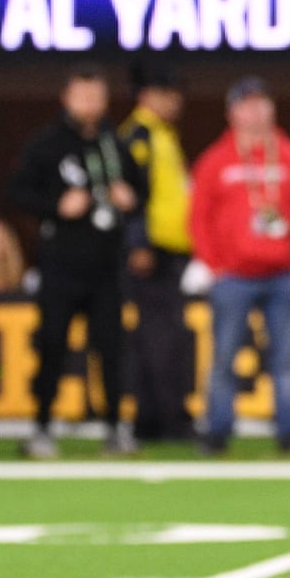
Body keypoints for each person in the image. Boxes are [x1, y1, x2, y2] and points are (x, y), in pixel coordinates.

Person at [188, 77, 290, 454]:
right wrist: (213, 264)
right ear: (232, 112)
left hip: (284, 275)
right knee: (223, 359)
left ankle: (289, 435)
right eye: (246, 105)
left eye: (261, 103)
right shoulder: (216, 160)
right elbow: (198, 217)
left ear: (272, 108)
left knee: (286, 360)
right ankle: (217, 433)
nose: (255, 112)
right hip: (233, 276)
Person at [7, 69, 144, 458]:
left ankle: (116, 428)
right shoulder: (46, 144)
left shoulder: (114, 143)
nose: (90, 105)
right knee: (51, 346)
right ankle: (42, 427)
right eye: (82, 96)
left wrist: (130, 199)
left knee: (112, 349)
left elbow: (141, 192)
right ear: (67, 98)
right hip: (61, 267)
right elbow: (17, 190)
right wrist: (56, 207)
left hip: (107, 269)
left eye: (96, 97)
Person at [119, 64, 195, 442]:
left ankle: (151, 419)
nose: (175, 100)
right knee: (161, 338)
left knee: (160, 336)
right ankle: (166, 419)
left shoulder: (162, 134)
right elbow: (132, 194)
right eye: (168, 92)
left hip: (169, 250)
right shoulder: (140, 134)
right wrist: (139, 243)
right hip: (154, 251)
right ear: (147, 95)